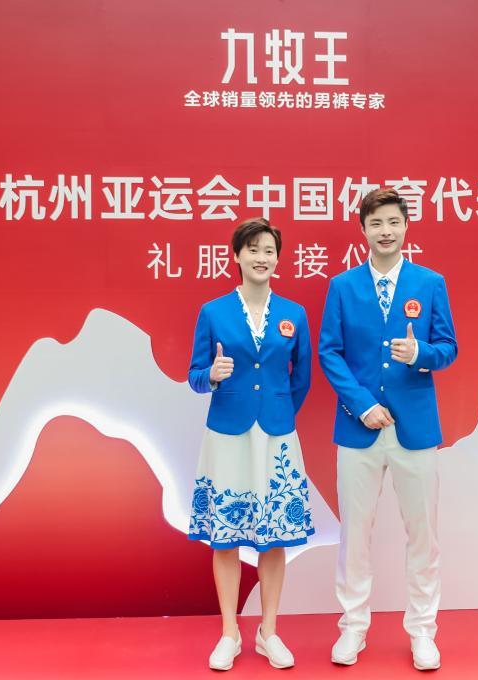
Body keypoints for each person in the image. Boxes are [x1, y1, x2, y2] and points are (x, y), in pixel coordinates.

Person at [319, 187, 458, 671]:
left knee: (423, 534)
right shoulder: (342, 286)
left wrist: (421, 354)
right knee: (355, 533)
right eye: (376, 223)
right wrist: (361, 405)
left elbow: (448, 348)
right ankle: (353, 627)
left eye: (393, 222)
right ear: (363, 229)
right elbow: (329, 351)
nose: (385, 231)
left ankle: (422, 631)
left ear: (405, 226)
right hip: (358, 429)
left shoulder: (430, 282)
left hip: (415, 429)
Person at [187, 217, 314, 671]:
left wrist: (278, 411)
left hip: (276, 436)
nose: (262, 258)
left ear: (278, 259)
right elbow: (195, 376)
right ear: (237, 256)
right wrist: (211, 376)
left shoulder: (294, 314)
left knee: (273, 537)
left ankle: (268, 632)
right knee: (225, 538)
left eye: (269, 251)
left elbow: (302, 378)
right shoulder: (213, 312)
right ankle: (229, 633)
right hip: (227, 434)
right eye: (253, 250)